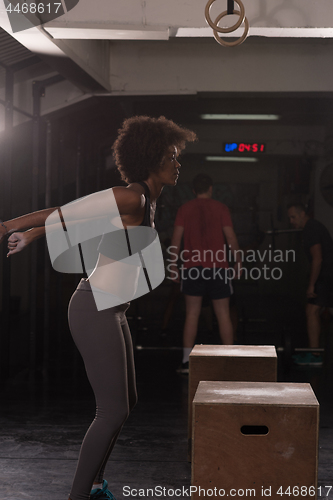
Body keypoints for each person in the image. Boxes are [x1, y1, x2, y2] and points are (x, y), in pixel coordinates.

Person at [0, 116, 196, 500]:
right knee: (111, 410)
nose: (178, 164)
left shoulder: (147, 200)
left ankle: (93, 486)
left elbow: (81, 223)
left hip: (112, 308)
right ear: (153, 159)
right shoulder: (132, 197)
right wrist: (8, 225)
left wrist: (32, 236)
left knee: (128, 402)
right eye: (172, 157)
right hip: (94, 308)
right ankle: (80, 494)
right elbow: (66, 211)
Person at [169, 173, 242, 372]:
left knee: (192, 315)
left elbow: (176, 240)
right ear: (210, 189)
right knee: (223, 314)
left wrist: (173, 265)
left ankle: (186, 361)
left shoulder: (184, 209)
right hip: (218, 267)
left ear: (194, 190)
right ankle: (229, 361)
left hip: (192, 268)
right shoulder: (221, 208)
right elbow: (231, 237)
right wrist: (238, 261)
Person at [288, 203, 333, 366]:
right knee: (312, 311)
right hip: (326, 275)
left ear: (302, 214)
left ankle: (315, 355)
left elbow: (317, 258)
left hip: (326, 276)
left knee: (312, 311)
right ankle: (314, 353)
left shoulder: (311, 228)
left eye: (293, 217)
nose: (291, 221)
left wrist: (311, 285)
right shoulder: (313, 227)